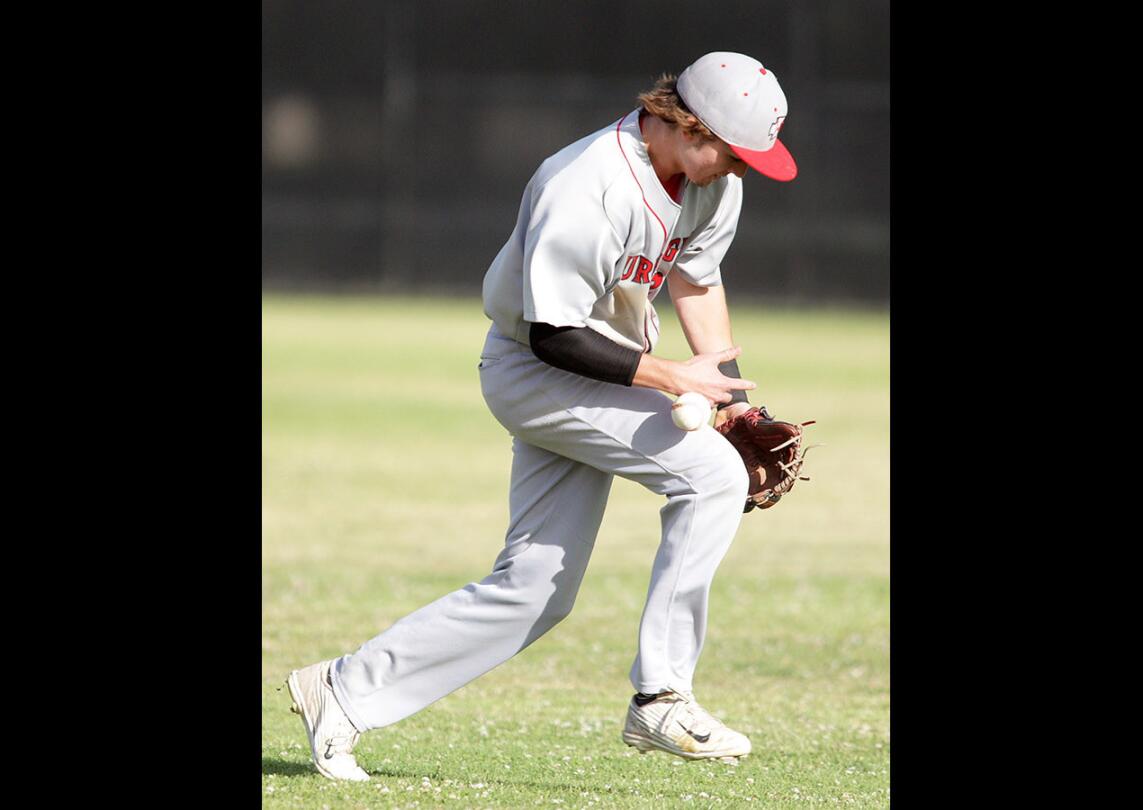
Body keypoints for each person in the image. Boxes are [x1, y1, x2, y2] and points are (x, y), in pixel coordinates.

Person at [286, 51, 798, 781]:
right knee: (711, 478)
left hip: (616, 369)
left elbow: (696, 278)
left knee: (534, 591)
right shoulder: (585, 183)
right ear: (685, 122)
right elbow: (558, 335)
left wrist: (736, 406)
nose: (740, 170)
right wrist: (669, 379)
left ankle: (340, 690)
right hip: (536, 368)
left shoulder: (711, 183)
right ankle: (661, 695)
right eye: (734, 152)